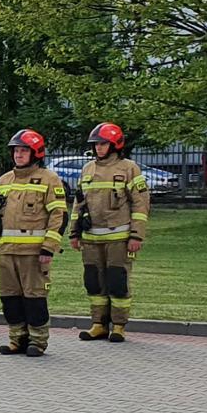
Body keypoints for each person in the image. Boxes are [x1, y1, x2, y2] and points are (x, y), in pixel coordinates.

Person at [0, 129, 68, 356]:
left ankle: (37, 341)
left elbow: (58, 216)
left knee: (34, 298)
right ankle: (16, 338)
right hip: (8, 252)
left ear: (36, 153)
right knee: (9, 298)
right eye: (16, 151)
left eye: (23, 151)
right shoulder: (4, 180)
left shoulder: (49, 179)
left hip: (33, 253)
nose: (18, 155)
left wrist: (48, 248)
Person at [73, 122, 150, 343]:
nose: (99, 148)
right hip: (91, 238)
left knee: (117, 281)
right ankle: (98, 324)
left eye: (103, 144)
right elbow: (79, 204)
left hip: (119, 237)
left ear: (115, 145)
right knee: (94, 282)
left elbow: (140, 204)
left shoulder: (129, 168)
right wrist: (74, 233)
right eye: (96, 144)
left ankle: (118, 326)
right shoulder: (88, 169)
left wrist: (136, 235)